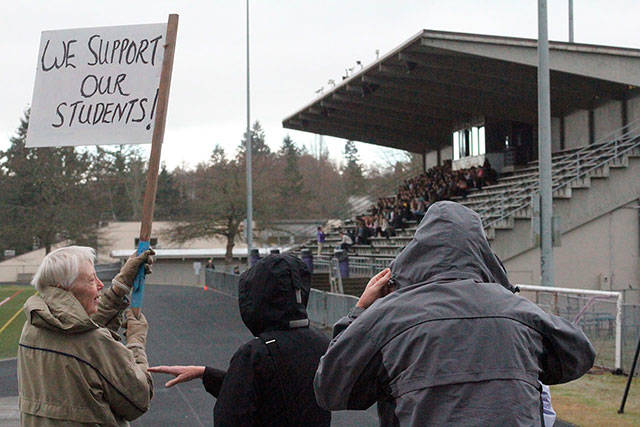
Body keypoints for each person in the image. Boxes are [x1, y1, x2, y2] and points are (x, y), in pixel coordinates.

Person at [314, 201, 595, 426]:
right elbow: (578, 355)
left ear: (417, 250)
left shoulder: (387, 316)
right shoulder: (517, 310)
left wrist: (360, 312)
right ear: (481, 251)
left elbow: (331, 389)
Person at [149, 254, 331, 426]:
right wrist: (206, 373)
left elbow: (234, 412)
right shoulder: (322, 343)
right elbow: (279, 394)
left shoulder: (256, 353)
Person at [18, 246, 155, 426]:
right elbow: (139, 398)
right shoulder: (93, 342)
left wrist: (120, 287)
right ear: (64, 289)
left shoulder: (32, 329)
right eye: (91, 280)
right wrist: (135, 341)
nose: (100, 285)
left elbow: (76, 327)